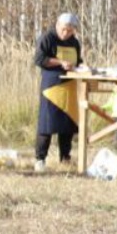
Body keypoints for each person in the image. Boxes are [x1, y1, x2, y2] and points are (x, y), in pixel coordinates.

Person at [33, 12, 84, 171]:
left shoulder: (74, 42)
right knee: (46, 125)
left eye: (69, 30)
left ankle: (65, 158)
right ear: (57, 26)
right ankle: (40, 159)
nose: (66, 33)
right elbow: (39, 59)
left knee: (67, 125)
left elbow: (78, 60)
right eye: (63, 29)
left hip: (69, 87)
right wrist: (60, 62)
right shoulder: (47, 38)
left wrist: (82, 67)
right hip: (51, 88)